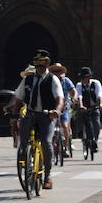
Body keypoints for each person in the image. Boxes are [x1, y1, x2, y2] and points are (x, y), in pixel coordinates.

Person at [14, 51, 64, 189]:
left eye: (42, 65)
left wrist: (57, 111)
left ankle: (47, 176)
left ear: (47, 64)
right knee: (23, 142)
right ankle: (25, 162)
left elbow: (60, 98)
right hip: (31, 114)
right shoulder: (27, 79)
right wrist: (14, 113)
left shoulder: (52, 79)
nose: (40, 68)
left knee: (47, 143)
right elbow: (18, 98)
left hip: (47, 115)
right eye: (37, 65)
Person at [50, 62, 76, 155]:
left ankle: (65, 148)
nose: (56, 73)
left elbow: (73, 91)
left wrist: (74, 98)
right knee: (51, 130)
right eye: (54, 71)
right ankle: (51, 148)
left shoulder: (66, 80)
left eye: (58, 71)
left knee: (65, 126)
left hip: (64, 108)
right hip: (52, 108)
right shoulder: (49, 81)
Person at [75, 66, 102, 152]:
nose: (85, 79)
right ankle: (80, 132)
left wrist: (101, 104)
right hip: (83, 106)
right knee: (79, 117)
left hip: (94, 106)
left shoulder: (96, 83)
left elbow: (99, 94)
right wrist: (81, 106)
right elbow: (79, 96)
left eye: (87, 77)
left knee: (97, 124)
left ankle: (95, 141)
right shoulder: (79, 85)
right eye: (83, 77)